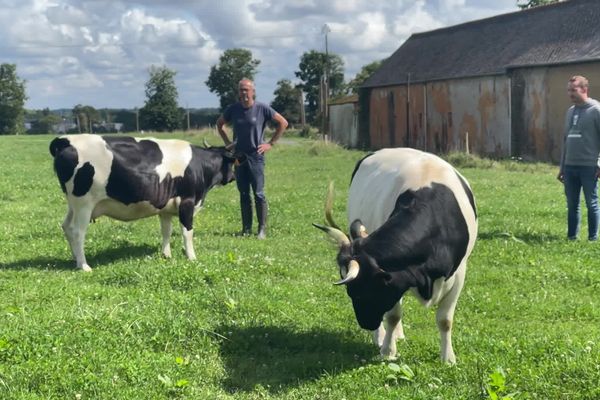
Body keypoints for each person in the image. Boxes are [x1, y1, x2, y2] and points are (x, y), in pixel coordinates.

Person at [216, 78, 288, 239]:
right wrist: (228, 143)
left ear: (253, 91)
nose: (244, 93)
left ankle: (261, 229)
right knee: (243, 193)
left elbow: (283, 123)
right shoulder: (233, 109)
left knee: (259, 193)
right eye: (241, 90)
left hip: (256, 156)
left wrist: (270, 143)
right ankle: (246, 228)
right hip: (239, 156)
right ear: (238, 92)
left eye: (246, 90)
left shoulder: (262, 108)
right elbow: (219, 124)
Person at [557, 75, 600, 241]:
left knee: (592, 203)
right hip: (570, 167)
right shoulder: (570, 111)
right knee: (572, 205)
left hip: (589, 167)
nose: (570, 94)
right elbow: (565, 140)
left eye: (573, 90)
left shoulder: (596, 110)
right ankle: (572, 237)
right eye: (568, 90)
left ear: (584, 90)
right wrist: (562, 167)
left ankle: (592, 238)